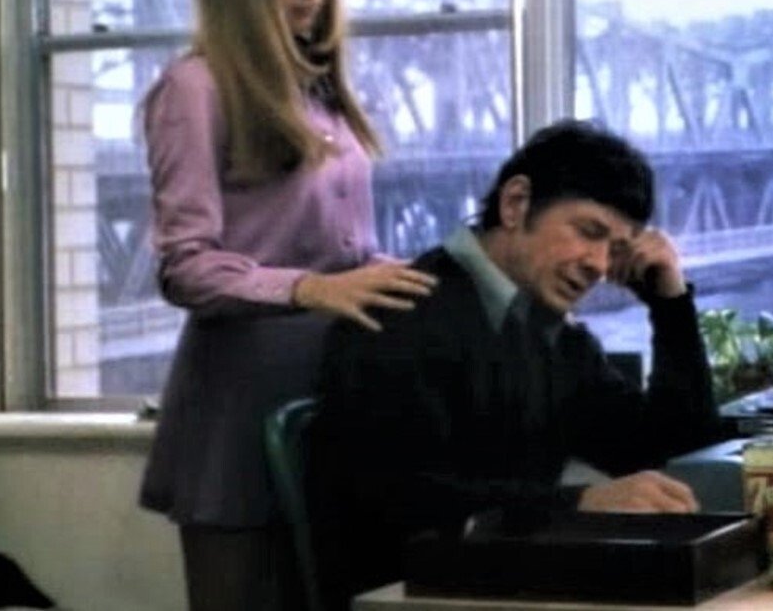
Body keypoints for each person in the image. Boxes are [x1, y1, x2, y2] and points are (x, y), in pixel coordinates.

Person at [136, 0, 436, 609]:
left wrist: (411, 277)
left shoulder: (319, 90)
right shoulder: (194, 89)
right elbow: (185, 266)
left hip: (333, 394)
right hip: (238, 410)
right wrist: (307, 288)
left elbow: (345, 250)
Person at [308, 120, 724, 609]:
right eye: (588, 232)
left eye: (616, 250)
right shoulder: (399, 315)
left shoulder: (549, 333)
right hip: (411, 596)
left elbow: (670, 445)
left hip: (503, 587)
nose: (598, 264)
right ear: (515, 204)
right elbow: (400, 501)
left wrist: (669, 303)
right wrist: (578, 504)